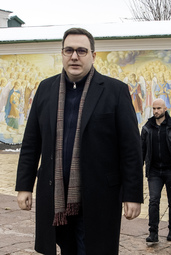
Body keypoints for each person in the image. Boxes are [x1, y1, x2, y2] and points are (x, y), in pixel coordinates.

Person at [15, 27, 143, 255]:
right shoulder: (45, 89)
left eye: (82, 51)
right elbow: (31, 142)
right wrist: (24, 186)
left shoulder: (115, 91)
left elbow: (131, 148)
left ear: (93, 56)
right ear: (62, 54)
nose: (74, 56)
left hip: (99, 196)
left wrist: (132, 195)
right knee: (66, 249)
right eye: (69, 50)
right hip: (56, 195)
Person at [141, 98, 171, 244]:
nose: (156, 111)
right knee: (153, 200)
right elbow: (141, 150)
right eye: (154, 108)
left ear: (165, 109)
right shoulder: (147, 128)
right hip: (154, 171)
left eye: (159, 108)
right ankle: (153, 232)